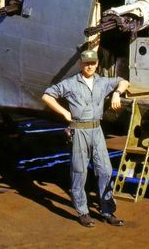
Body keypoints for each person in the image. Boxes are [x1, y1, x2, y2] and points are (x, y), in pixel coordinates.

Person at [42, 49, 129, 228]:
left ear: (97, 63)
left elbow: (123, 81)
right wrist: (65, 112)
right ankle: (83, 212)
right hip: (78, 131)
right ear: (81, 64)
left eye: (93, 63)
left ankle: (107, 210)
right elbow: (47, 95)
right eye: (86, 63)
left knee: (105, 170)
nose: (90, 66)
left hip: (97, 130)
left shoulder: (103, 82)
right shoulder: (70, 83)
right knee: (79, 172)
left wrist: (116, 93)